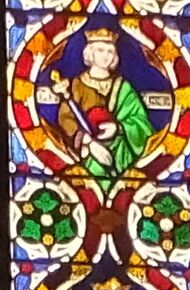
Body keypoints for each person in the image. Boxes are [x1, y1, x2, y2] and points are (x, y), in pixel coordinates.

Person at [52, 24, 155, 188]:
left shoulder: (123, 87)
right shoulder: (76, 86)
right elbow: (66, 119)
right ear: (90, 53)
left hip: (120, 152)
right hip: (87, 152)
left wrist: (119, 128)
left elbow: (141, 122)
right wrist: (88, 142)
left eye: (110, 51)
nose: (106, 56)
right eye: (100, 50)